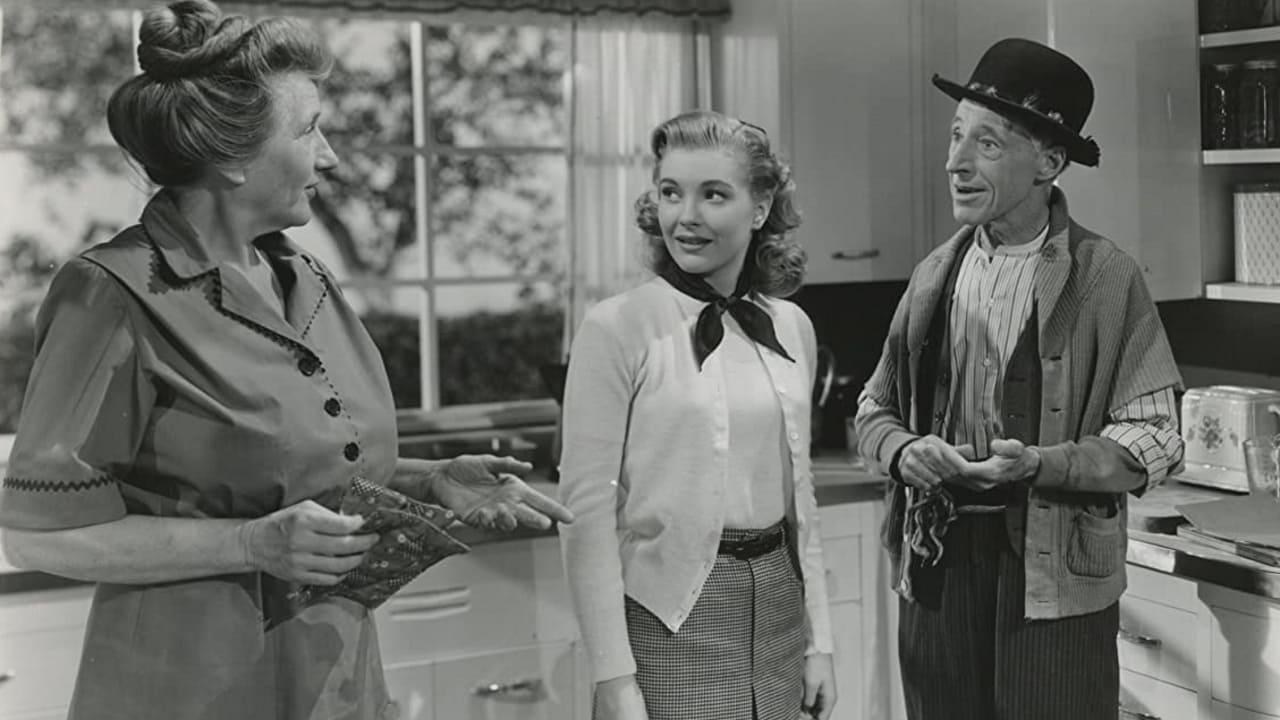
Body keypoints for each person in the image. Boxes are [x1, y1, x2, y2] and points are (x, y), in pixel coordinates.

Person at [0, 2, 571, 718]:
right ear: (233, 159)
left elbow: (294, 466)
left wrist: (429, 483)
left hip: (336, 680)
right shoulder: (112, 293)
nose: (330, 155)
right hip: (188, 689)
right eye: (308, 130)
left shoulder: (307, 281)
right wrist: (248, 544)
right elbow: (34, 535)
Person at [854, 38, 1185, 720]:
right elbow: (872, 409)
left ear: (1051, 161)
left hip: (1052, 578)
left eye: (988, 144)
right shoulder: (931, 277)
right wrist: (902, 450)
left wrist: (1042, 462)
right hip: (936, 565)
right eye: (955, 138)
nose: (955, 162)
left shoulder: (1104, 277)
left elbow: (1155, 438)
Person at [558, 110, 837, 720]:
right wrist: (612, 676)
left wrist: (821, 643)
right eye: (670, 192)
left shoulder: (791, 326)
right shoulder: (617, 327)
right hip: (671, 616)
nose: (687, 217)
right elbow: (585, 515)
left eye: (714, 195)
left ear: (760, 208)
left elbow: (802, 497)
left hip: (780, 608)